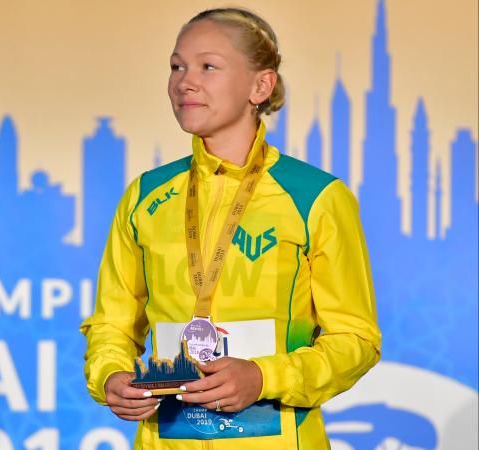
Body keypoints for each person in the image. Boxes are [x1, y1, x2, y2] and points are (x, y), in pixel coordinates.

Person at [80, 7, 381, 449]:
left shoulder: (315, 197)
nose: (185, 81)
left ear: (261, 85)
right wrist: (110, 376)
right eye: (177, 66)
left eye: (208, 66)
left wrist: (263, 377)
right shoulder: (145, 195)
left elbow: (356, 340)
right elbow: (112, 324)